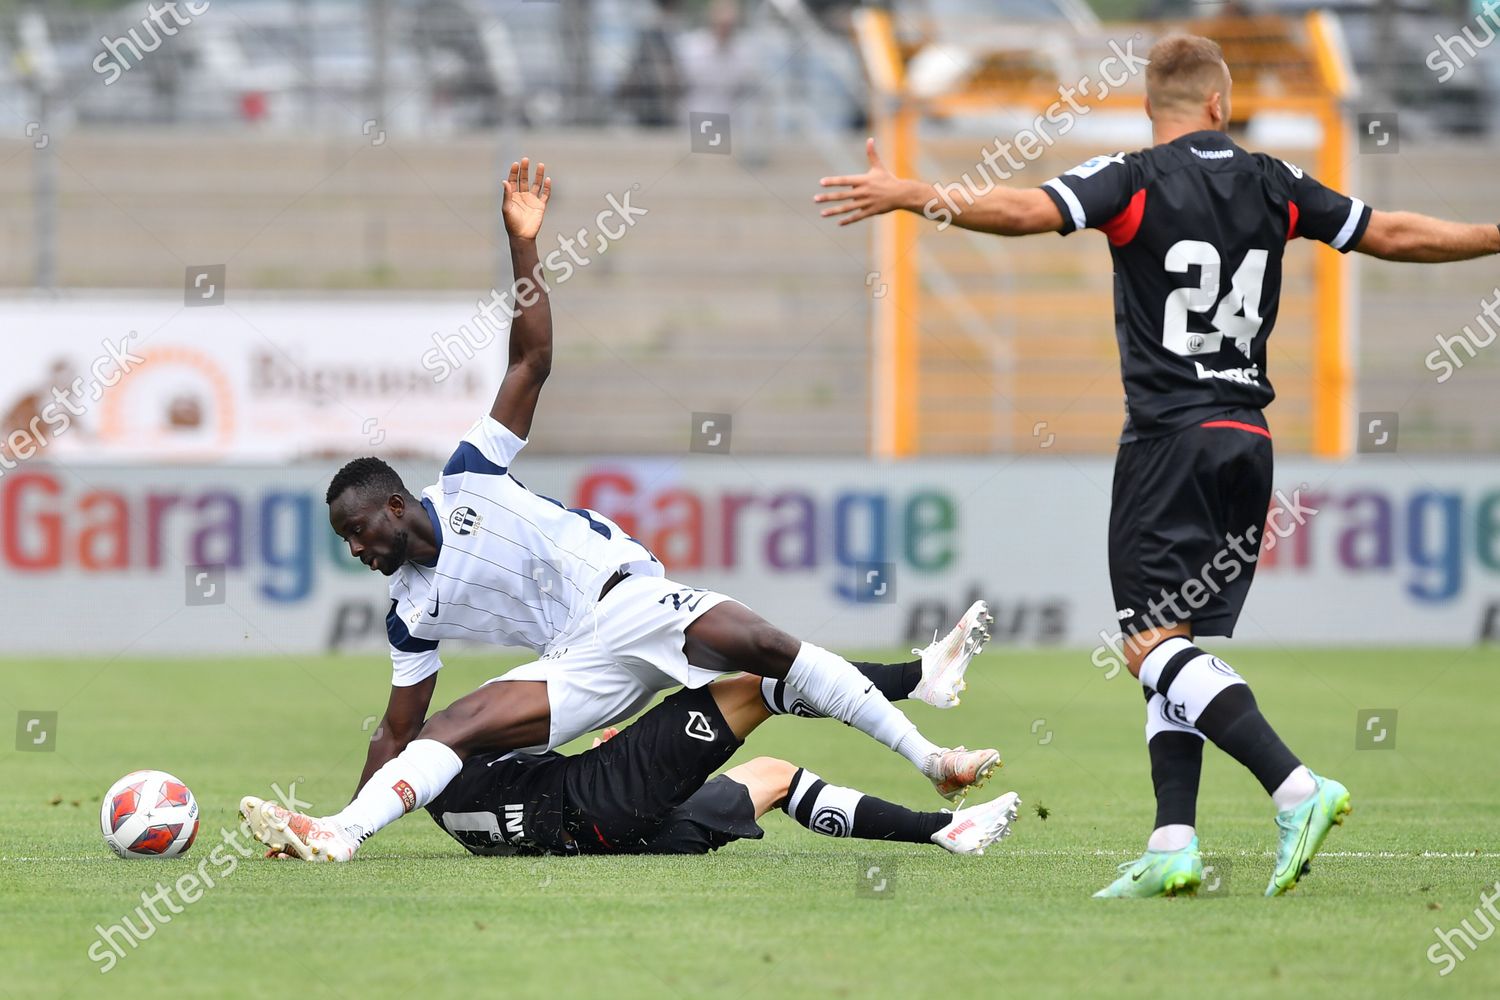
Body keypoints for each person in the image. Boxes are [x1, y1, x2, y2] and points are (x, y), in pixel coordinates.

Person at [813, 34, 1500, 897]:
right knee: (1168, 644)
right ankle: (1174, 842)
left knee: (1144, 645)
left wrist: (914, 193)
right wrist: (1494, 233)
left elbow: (1027, 212)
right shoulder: (1274, 181)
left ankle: (1296, 787)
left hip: (1168, 439)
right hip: (1248, 439)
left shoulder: (1134, 176)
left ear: (1153, 106)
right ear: (1219, 101)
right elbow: (1390, 231)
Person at [238, 157, 1001, 863]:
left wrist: (523, 245)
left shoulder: (469, 474)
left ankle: (929, 754)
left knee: (762, 644)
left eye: (356, 532)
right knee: (451, 728)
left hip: (628, 599)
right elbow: (396, 730)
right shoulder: (409, 612)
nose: (355, 552)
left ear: (394, 505)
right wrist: (343, 814)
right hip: (579, 663)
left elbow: (531, 362)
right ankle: (341, 838)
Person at [246, 652, 1020, 861]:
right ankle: (918, 681)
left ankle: (941, 831)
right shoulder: (462, 741)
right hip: (600, 800)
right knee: (754, 684)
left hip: (604, 829)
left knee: (775, 777)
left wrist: (355, 812)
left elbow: (409, 755)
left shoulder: (449, 797)